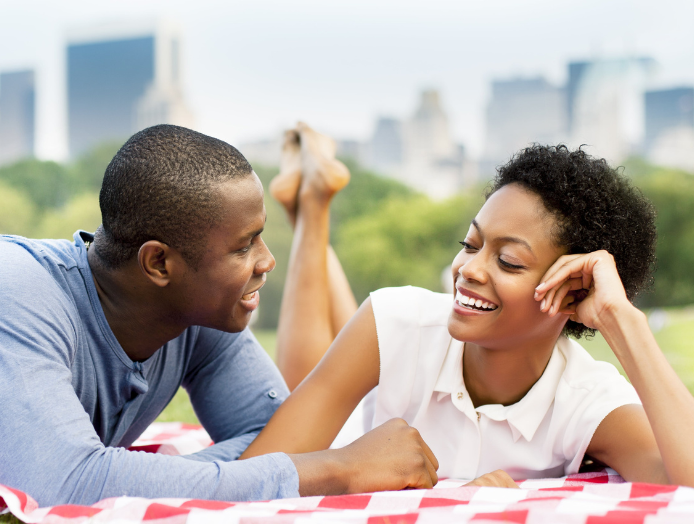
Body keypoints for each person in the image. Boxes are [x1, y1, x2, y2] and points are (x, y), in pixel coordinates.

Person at [0, 125, 441, 506]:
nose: (266, 262)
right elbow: (63, 485)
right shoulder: (2, 286)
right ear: (159, 263)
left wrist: (134, 476)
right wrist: (336, 469)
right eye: (244, 246)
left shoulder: (199, 315)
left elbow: (276, 435)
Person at [243, 126, 694, 489]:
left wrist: (621, 319)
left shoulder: (585, 399)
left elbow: (686, 481)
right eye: (470, 244)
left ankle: (311, 202)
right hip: (339, 445)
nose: (468, 269)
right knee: (303, 379)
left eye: (508, 261)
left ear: (571, 292)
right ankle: (313, 209)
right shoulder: (397, 318)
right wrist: (355, 470)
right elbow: (259, 472)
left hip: (389, 379)